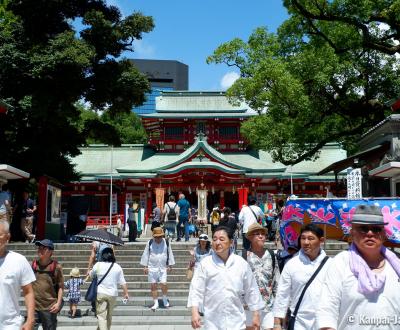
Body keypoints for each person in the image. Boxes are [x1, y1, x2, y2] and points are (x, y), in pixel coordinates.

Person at [316, 204, 400, 330]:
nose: (370, 233)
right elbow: (327, 309)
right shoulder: (341, 262)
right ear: (352, 233)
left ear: (383, 234)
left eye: (376, 229)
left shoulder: (396, 265)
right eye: (363, 228)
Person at [188, 226, 265, 330]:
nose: (217, 242)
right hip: (212, 323)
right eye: (214, 239)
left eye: (222, 239)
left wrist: (256, 314)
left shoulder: (241, 264)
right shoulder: (205, 264)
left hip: (236, 322)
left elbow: (251, 290)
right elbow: (196, 289)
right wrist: (194, 312)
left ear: (231, 242)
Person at [273, 224, 330, 330]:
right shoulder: (291, 264)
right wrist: (277, 323)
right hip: (299, 321)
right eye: (303, 238)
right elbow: (282, 294)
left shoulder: (331, 265)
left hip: (324, 322)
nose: (306, 242)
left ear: (321, 240)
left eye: (311, 238)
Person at [0, 219, 36, 330]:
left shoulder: (18, 260)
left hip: (10, 325)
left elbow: (28, 291)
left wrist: (30, 319)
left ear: (7, 237)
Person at [245, 223, 280, 330]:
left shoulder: (271, 255)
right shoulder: (243, 256)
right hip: (249, 307)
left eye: (263, 234)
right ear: (250, 237)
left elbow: (276, 281)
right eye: (257, 234)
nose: (261, 236)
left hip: (268, 305)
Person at [89, 247, 129, 330]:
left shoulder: (98, 265)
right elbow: (123, 282)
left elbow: (91, 276)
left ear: (102, 255)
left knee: (101, 316)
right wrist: (126, 293)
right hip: (113, 294)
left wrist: (90, 271)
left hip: (101, 293)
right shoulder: (117, 267)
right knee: (109, 316)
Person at [140, 227, 175, 310]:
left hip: (163, 267)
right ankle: (155, 302)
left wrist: (170, 265)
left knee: (164, 283)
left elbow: (169, 253)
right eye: (156, 237)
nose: (158, 238)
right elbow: (146, 254)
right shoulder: (150, 242)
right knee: (153, 285)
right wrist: (145, 266)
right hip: (152, 267)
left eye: (160, 237)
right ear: (154, 236)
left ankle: (165, 298)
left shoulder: (166, 242)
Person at [32, 239, 64, 330]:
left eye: (43, 248)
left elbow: (61, 286)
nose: (40, 250)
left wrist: (58, 303)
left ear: (50, 251)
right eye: (39, 248)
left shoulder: (56, 267)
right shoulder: (34, 265)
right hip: (34, 306)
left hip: (49, 307)